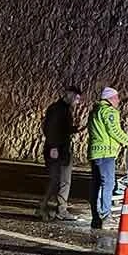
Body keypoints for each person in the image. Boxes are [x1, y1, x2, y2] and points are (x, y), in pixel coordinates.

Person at [87, 86, 128, 229]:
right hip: (106, 153)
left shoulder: (94, 111)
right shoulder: (109, 111)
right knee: (108, 185)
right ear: (111, 98)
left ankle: (96, 218)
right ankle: (106, 216)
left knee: (96, 186)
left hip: (94, 153)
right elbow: (114, 130)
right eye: (117, 97)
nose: (118, 101)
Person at [36, 86, 81, 221]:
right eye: (77, 98)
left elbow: (60, 129)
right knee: (60, 181)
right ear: (69, 95)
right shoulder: (58, 109)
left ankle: (45, 208)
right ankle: (57, 210)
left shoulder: (61, 109)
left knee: (56, 180)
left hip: (60, 149)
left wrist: (74, 129)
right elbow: (50, 128)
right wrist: (54, 147)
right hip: (57, 150)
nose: (78, 102)